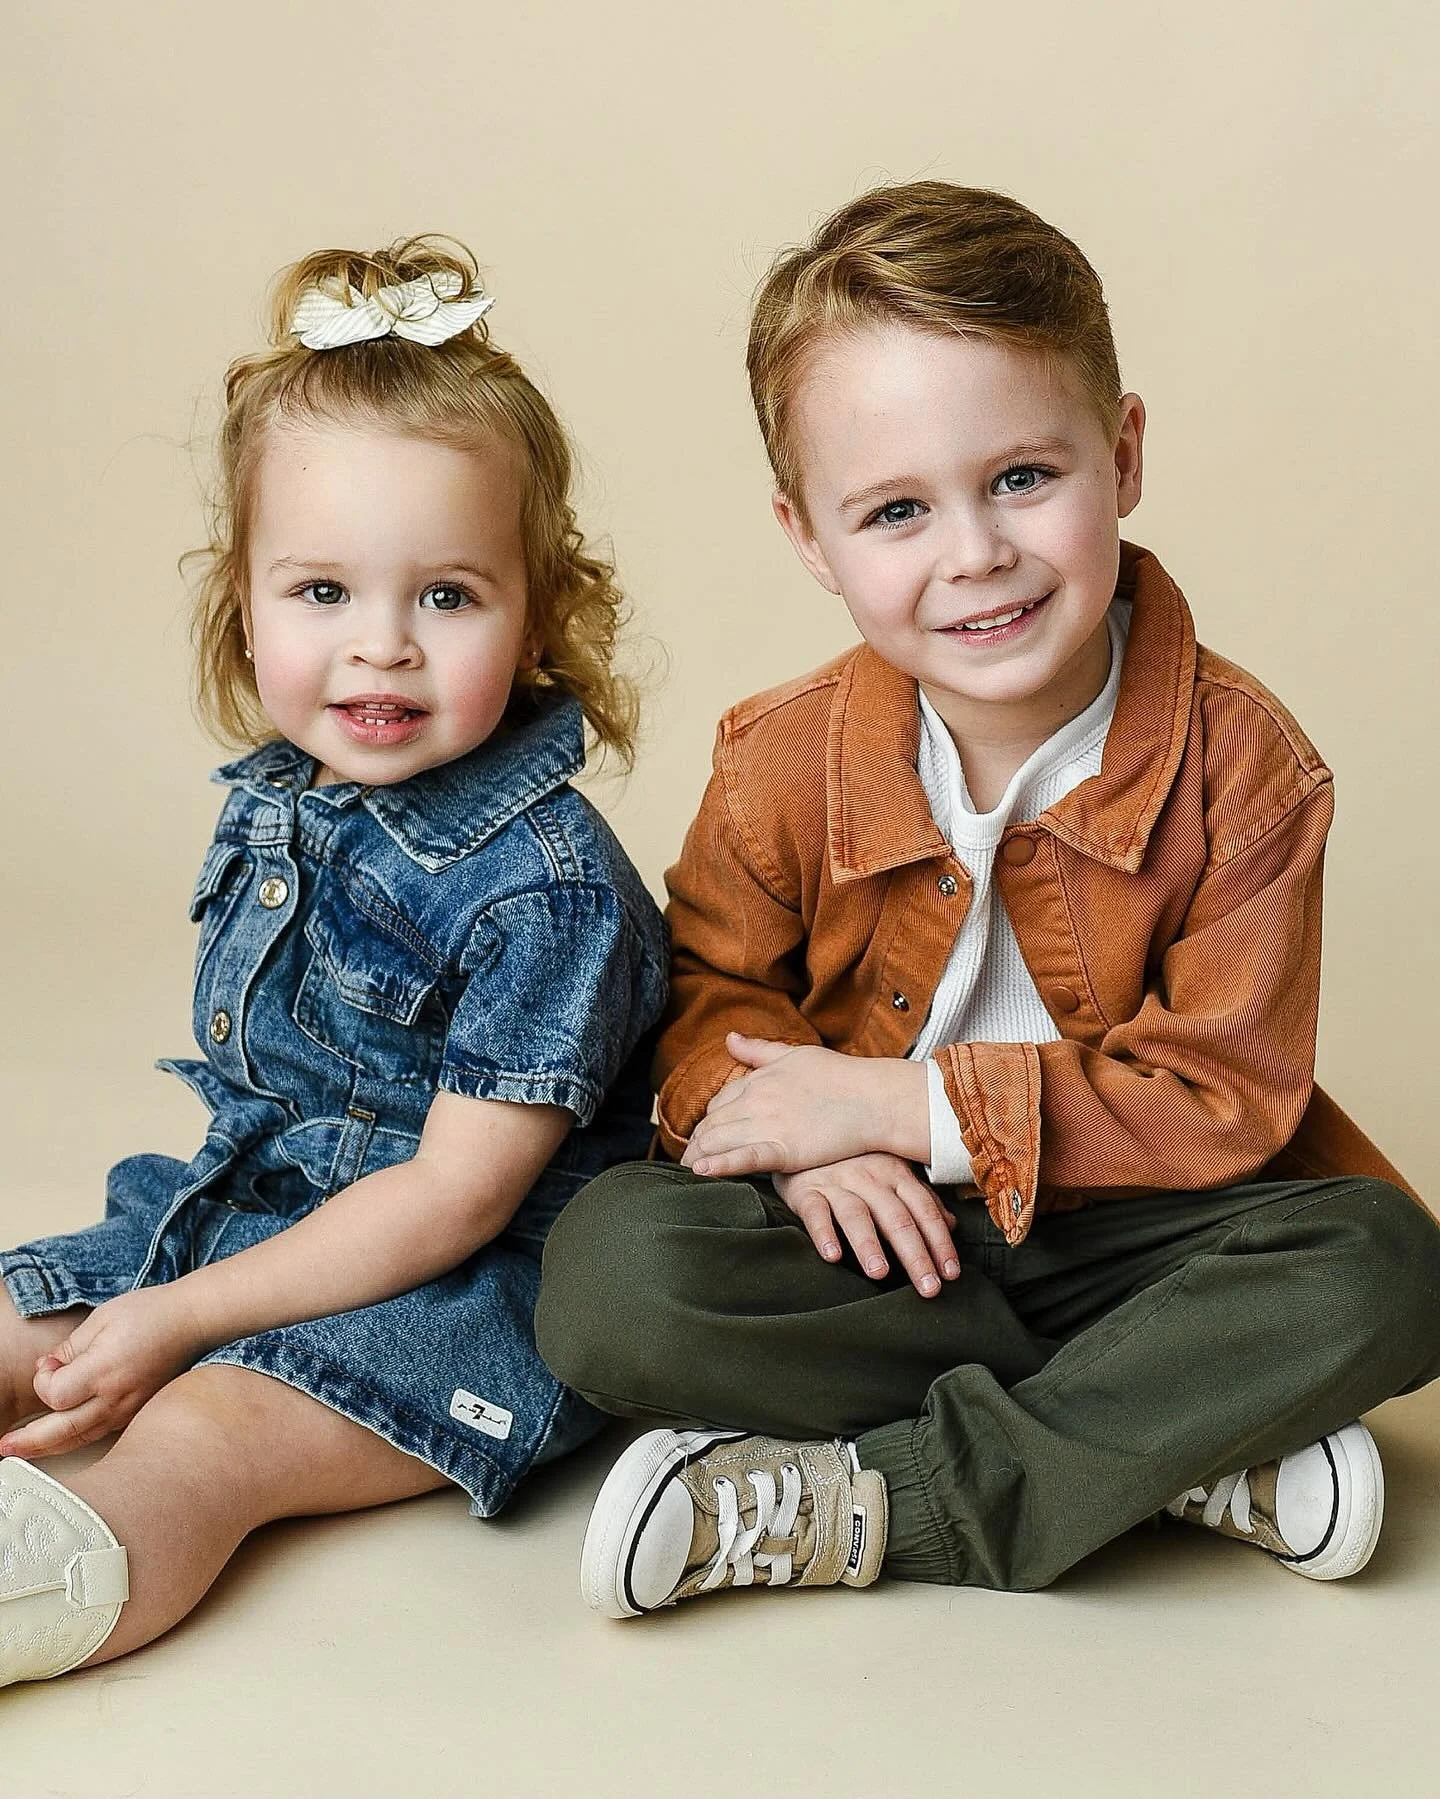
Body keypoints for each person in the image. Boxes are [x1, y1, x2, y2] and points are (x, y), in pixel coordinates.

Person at [536, 182, 1440, 1616]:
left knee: (1382, 1267)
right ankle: (1172, 1437)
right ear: (809, 538)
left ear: (1123, 452)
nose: (975, 553)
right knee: (606, 1275)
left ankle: (878, 1504)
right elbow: (707, 994)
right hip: (874, 1233)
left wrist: (897, 1106)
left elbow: (1223, 1090)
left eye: (1024, 476)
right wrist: (802, 1146)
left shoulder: (1247, 766)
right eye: (896, 509)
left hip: (1142, 1233)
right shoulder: (783, 756)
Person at [0, 238, 667, 1682]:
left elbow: (449, 1197)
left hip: (463, 1285)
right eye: (322, 594)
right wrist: (148, 1291)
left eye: (445, 596)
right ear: (243, 600)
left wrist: (177, 1319)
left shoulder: (551, 894)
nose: (381, 650)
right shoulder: (286, 798)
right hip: (262, 1205)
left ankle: (44, 1574)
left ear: (537, 611)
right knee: (28, 1314)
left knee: (206, 1427)